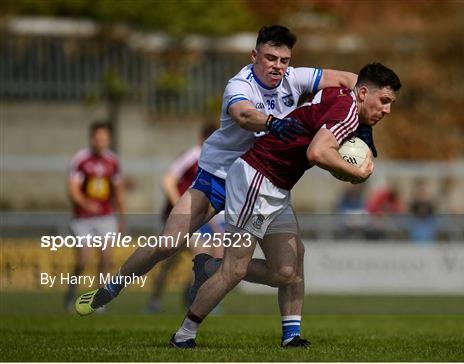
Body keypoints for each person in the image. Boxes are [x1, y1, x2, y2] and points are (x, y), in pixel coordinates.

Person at [75, 25, 358, 347]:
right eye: (270, 58)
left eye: (284, 59)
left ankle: (291, 334)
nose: (278, 65)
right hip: (218, 178)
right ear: (254, 56)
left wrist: (359, 123)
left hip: (261, 178)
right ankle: (112, 287)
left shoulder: (295, 77)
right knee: (169, 243)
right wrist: (273, 122)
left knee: (293, 260)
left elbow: (352, 81)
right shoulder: (240, 84)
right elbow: (243, 115)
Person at [173, 62, 401, 348]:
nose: (387, 110)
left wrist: (359, 139)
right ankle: (184, 333)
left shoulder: (342, 97)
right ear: (364, 92)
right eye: (384, 101)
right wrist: (355, 173)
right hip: (256, 179)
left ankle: (290, 334)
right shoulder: (347, 111)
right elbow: (317, 152)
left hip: (276, 186)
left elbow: (322, 133)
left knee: (287, 269)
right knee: (235, 270)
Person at [146, 124, 224, 313]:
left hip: (200, 218)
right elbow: (167, 181)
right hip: (182, 218)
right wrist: (181, 210)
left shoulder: (218, 160)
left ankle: (196, 297)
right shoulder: (193, 155)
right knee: (170, 261)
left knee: (214, 255)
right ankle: (156, 300)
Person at [64, 122, 125, 309]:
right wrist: (86, 204)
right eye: (98, 139)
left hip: (106, 216)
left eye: (105, 139)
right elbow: (72, 190)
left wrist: (122, 217)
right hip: (83, 218)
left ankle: (98, 301)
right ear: (92, 139)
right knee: (83, 259)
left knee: (106, 258)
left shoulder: (113, 161)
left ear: (109, 140)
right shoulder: (81, 160)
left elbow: (118, 192)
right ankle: (71, 291)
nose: (101, 142)